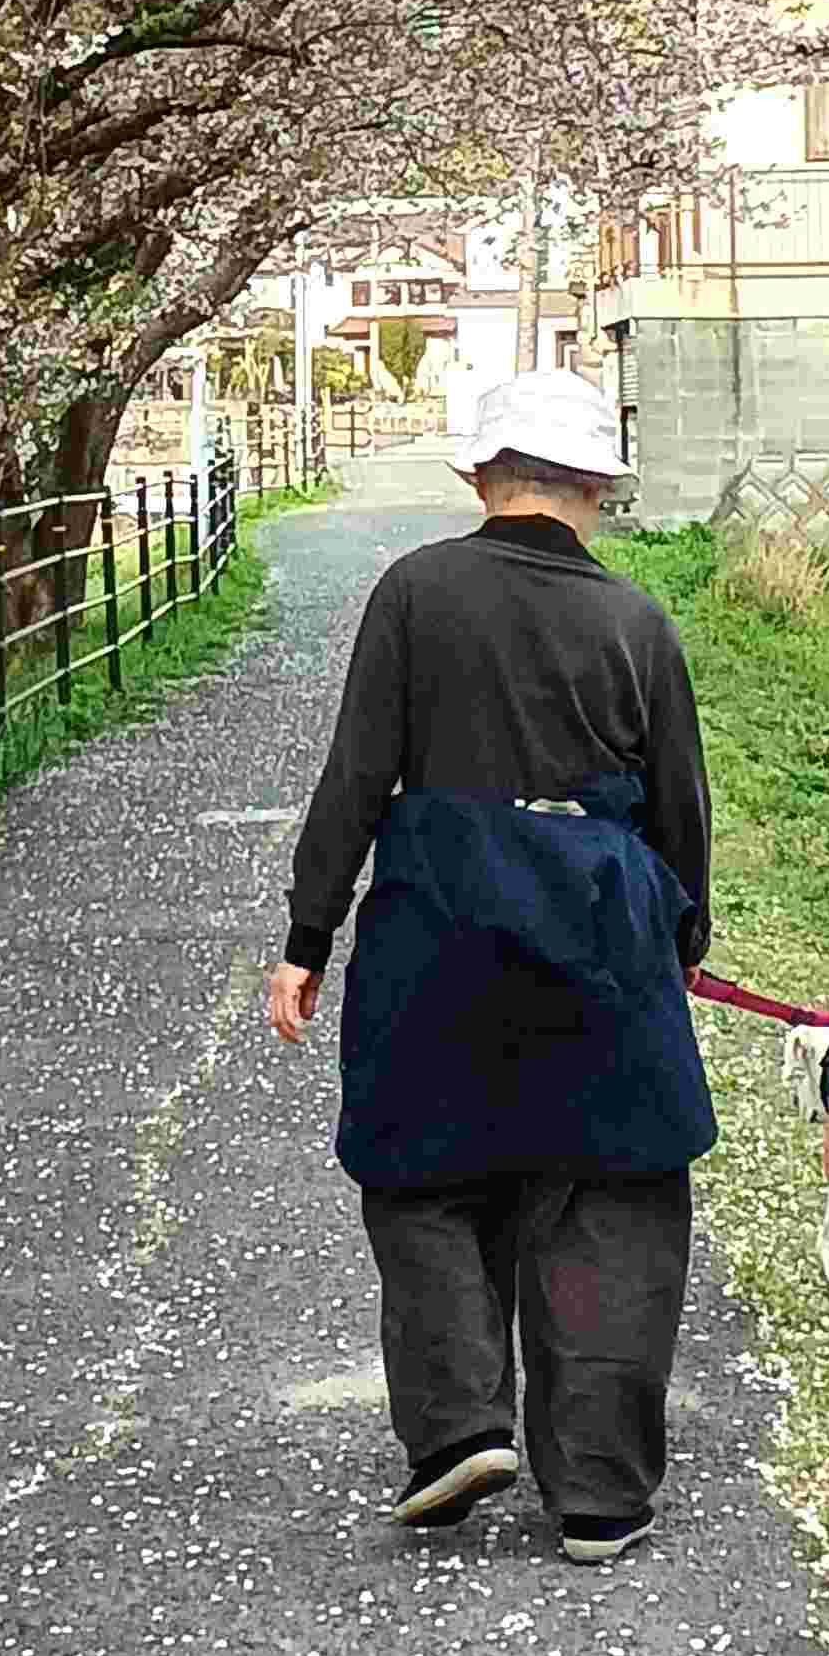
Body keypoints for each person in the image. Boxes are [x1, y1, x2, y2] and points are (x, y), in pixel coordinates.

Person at [267, 369, 715, 1558]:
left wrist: (308, 939)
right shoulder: (639, 626)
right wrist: (681, 946)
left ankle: (461, 1424)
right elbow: (682, 814)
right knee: (612, 1186)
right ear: (597, 494)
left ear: (478, 478)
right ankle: (600, 1490)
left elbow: (357, 774)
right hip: (600, 927)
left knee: (422, 1169)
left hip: (439, 918)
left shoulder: (415, 593)